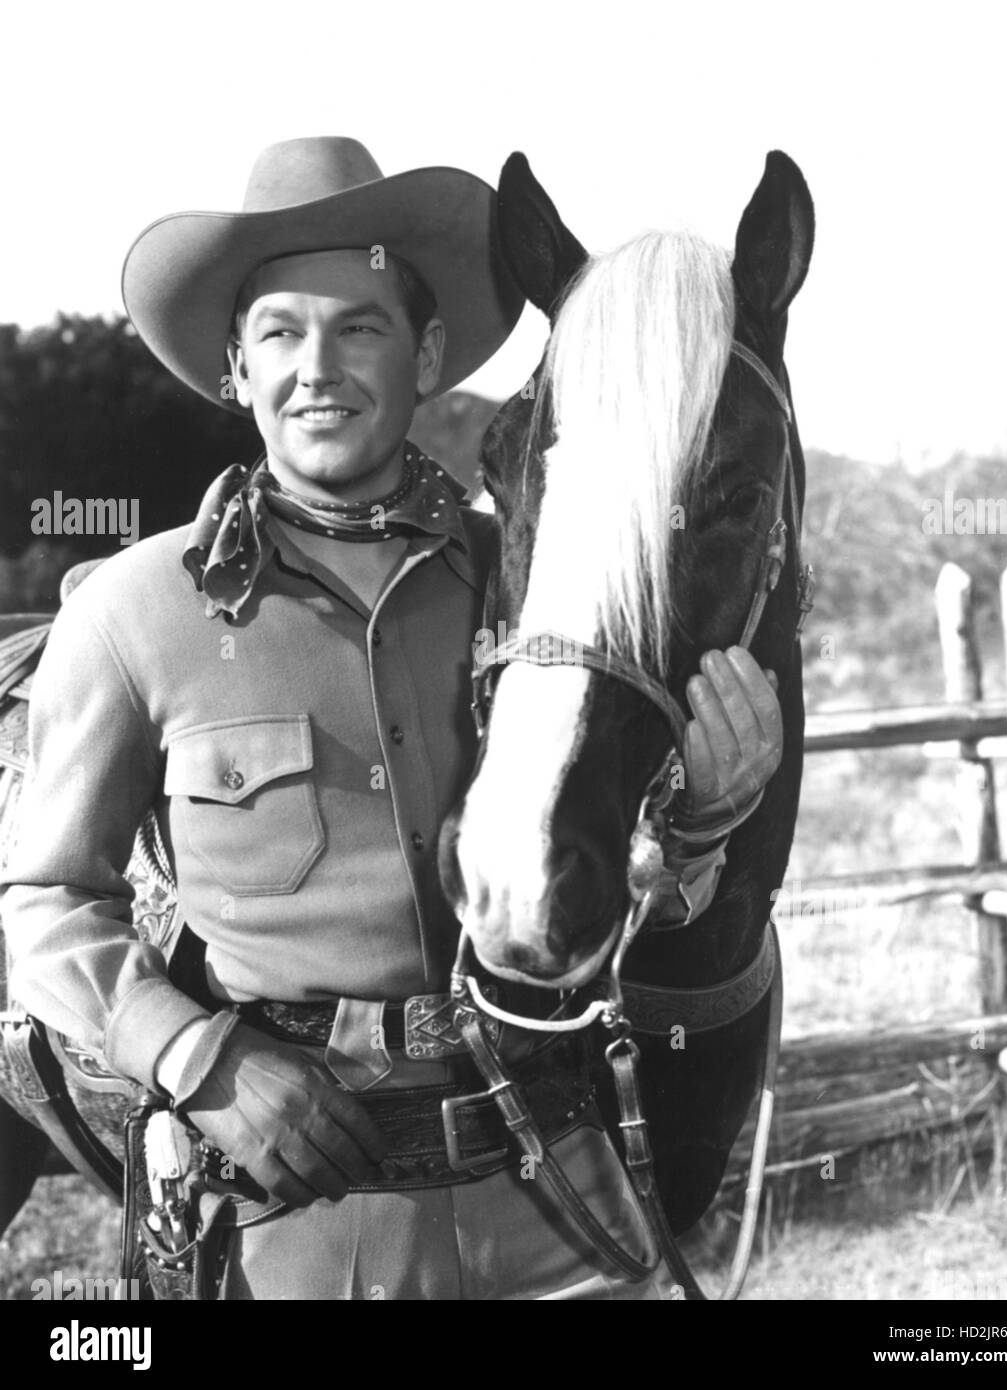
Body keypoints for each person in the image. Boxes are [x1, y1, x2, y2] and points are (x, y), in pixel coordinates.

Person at [0, 137, 783, 1300]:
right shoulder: (134, 611)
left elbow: (622, 875)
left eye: (359, 327)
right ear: (234, 365)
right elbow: (46, 901)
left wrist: (704, 825)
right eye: (279, 332)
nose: (318, 368)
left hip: (560, 1202)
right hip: (300, 1228)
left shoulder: (529, 585)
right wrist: (196, 1057)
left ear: (422, 356)